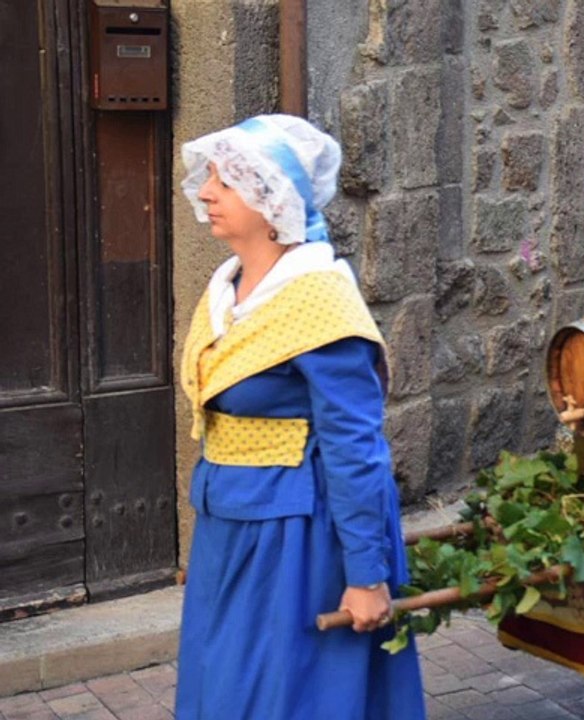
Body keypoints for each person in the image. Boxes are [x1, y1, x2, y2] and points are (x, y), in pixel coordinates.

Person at [174, 115, 426, 719]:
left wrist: (366, 574)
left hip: (299, 535)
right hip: (229, 524)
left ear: (272, 200)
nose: (206, 192)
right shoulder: (229, 289)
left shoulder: (319, 301)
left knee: (287, 695)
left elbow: (356, 448)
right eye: (208, 177)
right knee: (221, 683)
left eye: (225, 182)